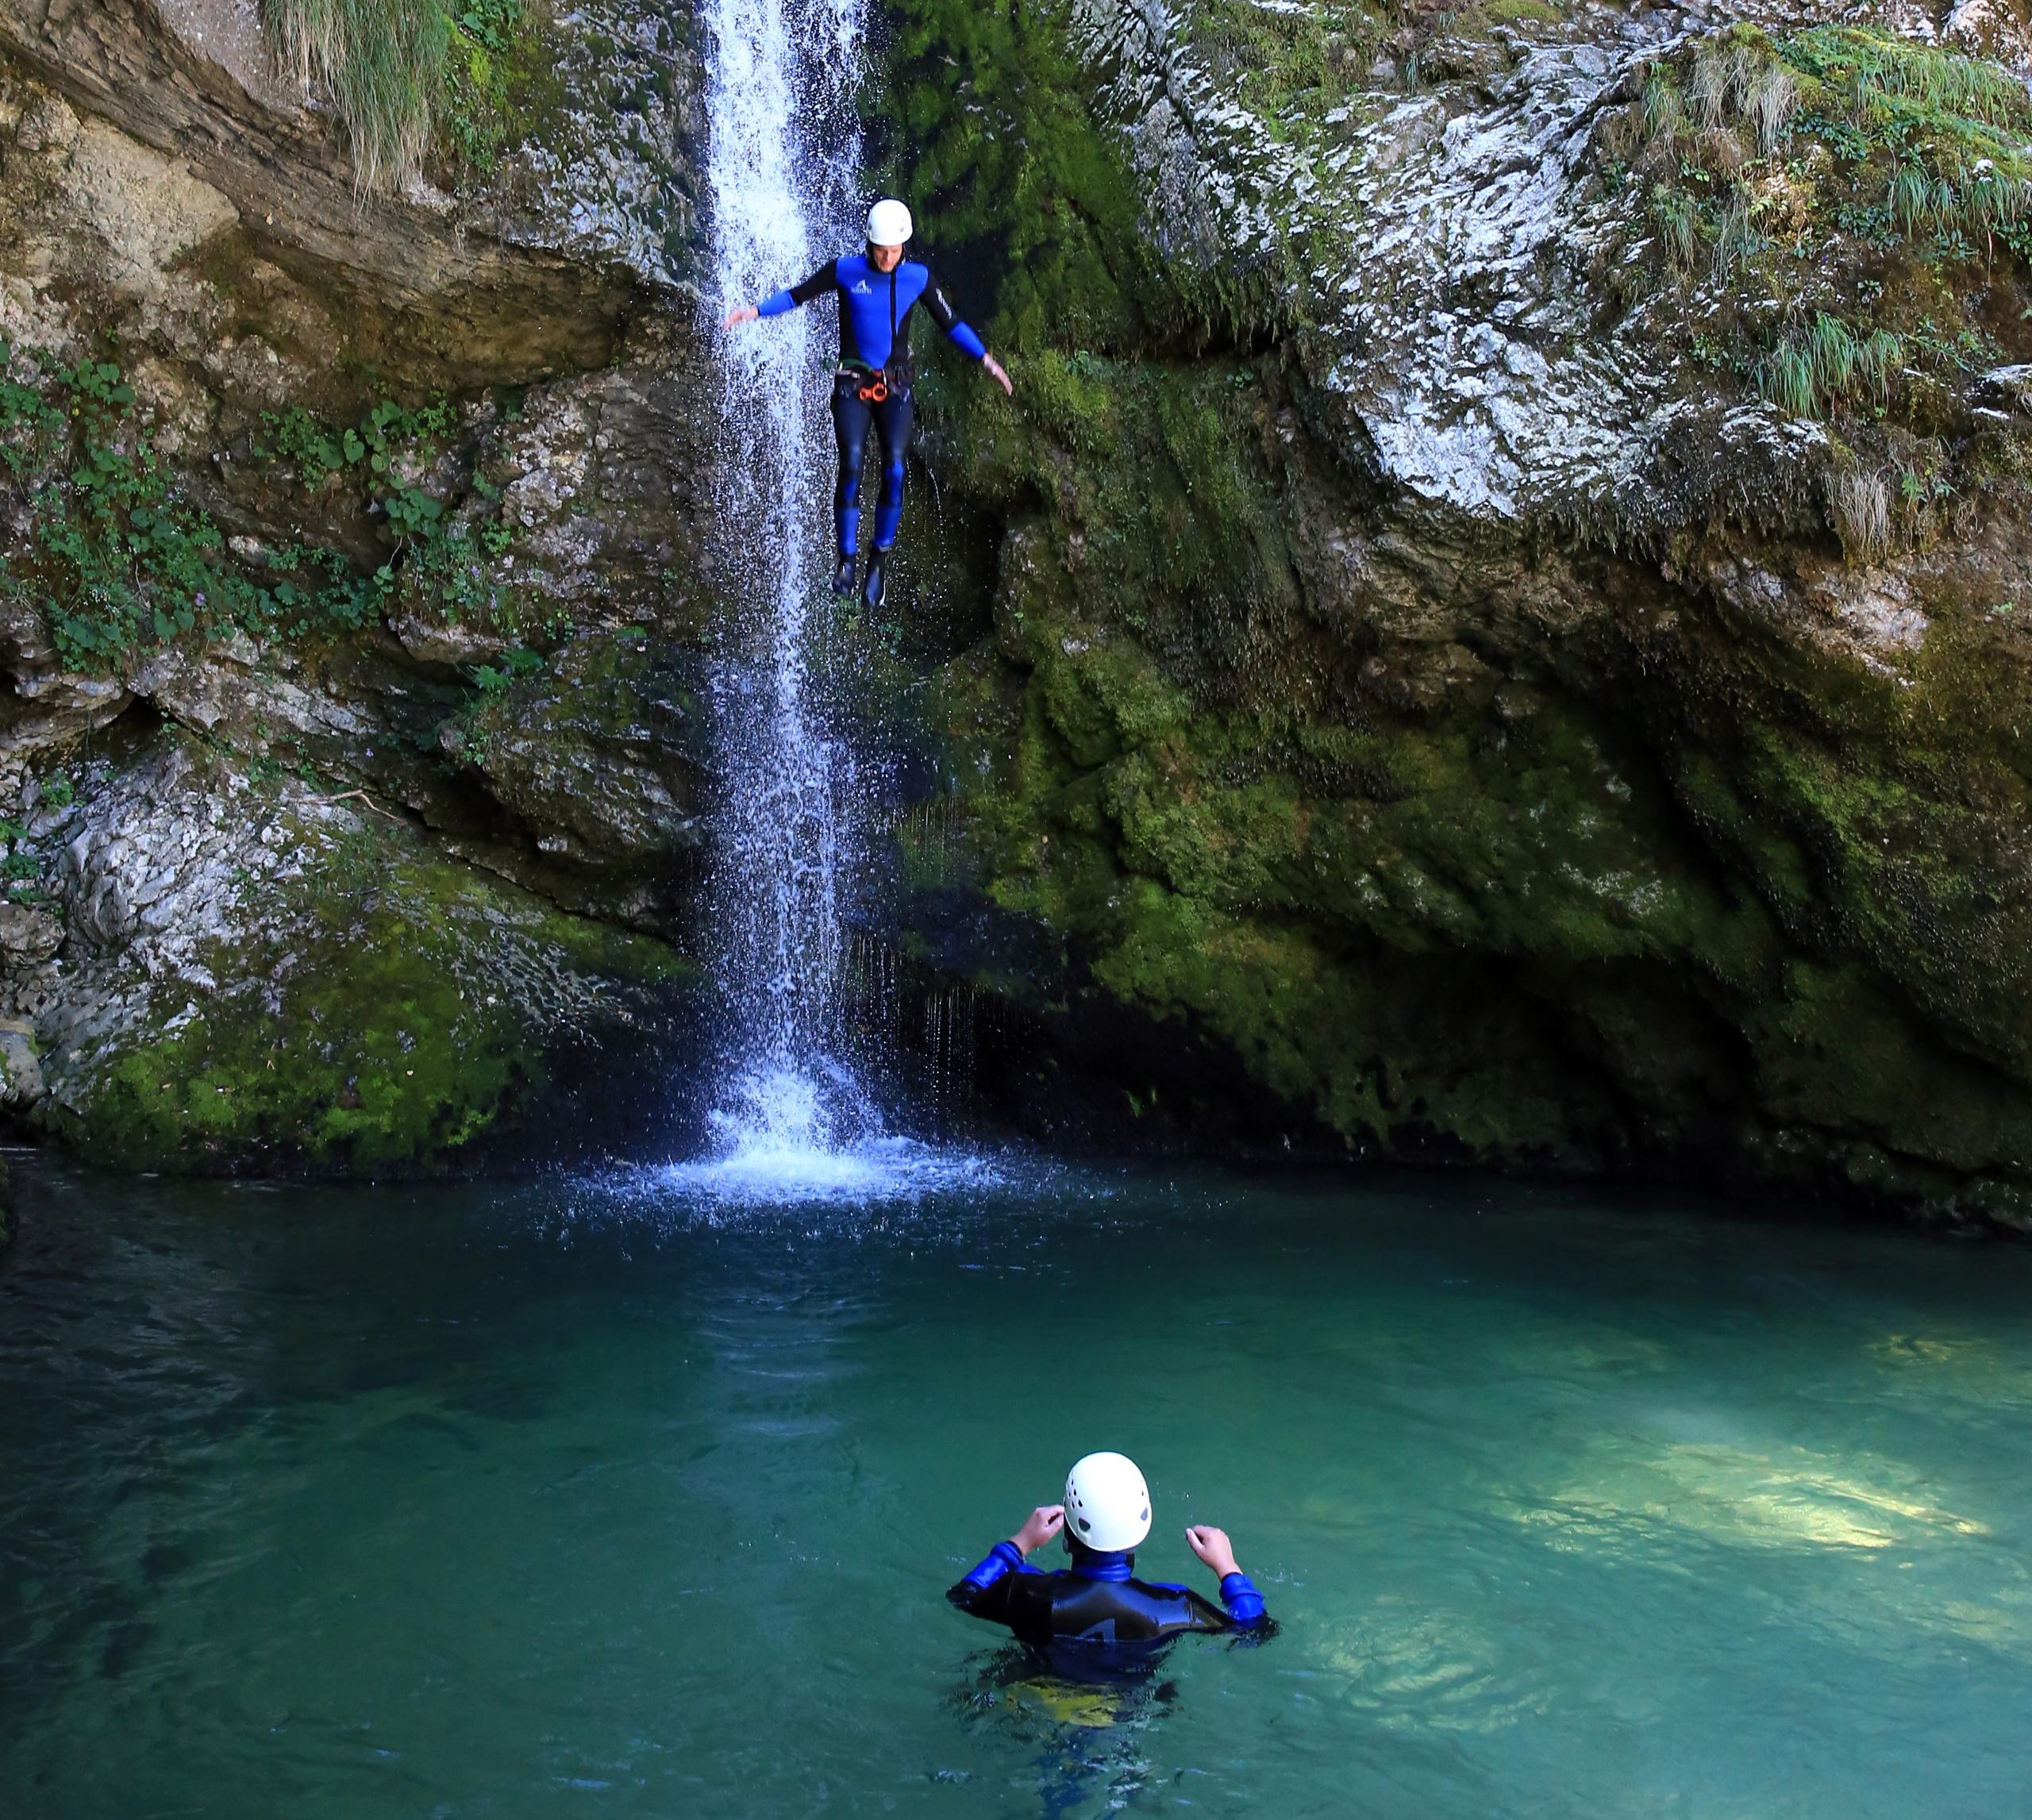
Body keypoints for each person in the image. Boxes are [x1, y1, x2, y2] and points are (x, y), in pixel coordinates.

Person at [723, 197, 1012, 610]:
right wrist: (753, 311)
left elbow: (951, 322)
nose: (887, 257)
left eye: (894, 250)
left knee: (894, 466)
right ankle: (846, 560)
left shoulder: (917, 278)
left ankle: (878, 560)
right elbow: (797, 295)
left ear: (904, 248)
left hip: (895, 388)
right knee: (853, 462)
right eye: (881, 249)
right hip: (853, 386)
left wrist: (985, 359)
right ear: (869, 244)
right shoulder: (846, 270)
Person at [947, 1452, 1269, 1663]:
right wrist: (1227, 1567)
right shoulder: (1173, 1607)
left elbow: (963, 1597)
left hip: (1040, 1699)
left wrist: (1018, 1545)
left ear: (1068, 1529)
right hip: (1125, 1718)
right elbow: (1254, 1629)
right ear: (1142, 1527)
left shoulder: (1030, 1592)